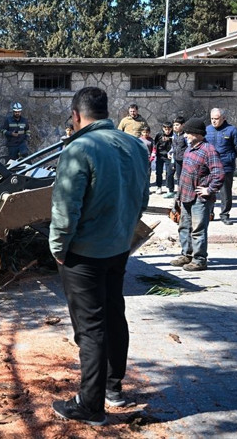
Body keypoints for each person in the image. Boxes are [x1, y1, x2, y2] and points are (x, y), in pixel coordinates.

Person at [49, 87, 150, 426]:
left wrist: (58, 249)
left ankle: (90, 406)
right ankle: (113, 387)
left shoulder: (79, 149)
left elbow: (66, 207)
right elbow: (142, 198)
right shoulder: (136, 145)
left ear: (76, 115)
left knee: (90, 328)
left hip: (84, 254)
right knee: (113, 313)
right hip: (119, 247)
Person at [170, 118, 224, 272]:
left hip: (200, 199)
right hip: (185, 196)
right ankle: (187, 255)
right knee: (184, 228)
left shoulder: (209, 150)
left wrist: (209, 189)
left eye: (188, 133)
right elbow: (184, 175)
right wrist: (177, 197)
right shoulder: (189, 149)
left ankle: (199, 260)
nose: (185, 135)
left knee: (198, 230)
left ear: (198, 134)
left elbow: (219, 174)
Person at [205, 108, 237, 225]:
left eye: (216, 119)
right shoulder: (207, 129)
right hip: (210, 166)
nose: (214, 121)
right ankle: (209, 213)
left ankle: (225, 214)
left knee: (225, 192)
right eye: (212, 118)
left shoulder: (232, 130)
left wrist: (230, 157)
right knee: (209, 191)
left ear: (223, 118)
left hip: (225, 166)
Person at [153, 122, 174, 196]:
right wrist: (155, 152)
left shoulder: (173, 135)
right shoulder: (159, 135)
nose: (167, 131)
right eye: (166, 129)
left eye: (169, 129)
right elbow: (155, 143)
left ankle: (169, 188)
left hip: (169, 156)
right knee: (159, 172)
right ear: (163, 128)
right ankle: (159, 186)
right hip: (160, 155)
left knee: (169, 173)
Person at [170, 116, 188, 189]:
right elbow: (173, 147)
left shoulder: (186, 135)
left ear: (183, 125)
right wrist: (170, 153)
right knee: (178, 176)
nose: (175, 127)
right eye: (174, 125)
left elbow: (189, 147)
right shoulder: (174, 135)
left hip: (185, 160)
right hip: (177, 159)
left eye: (177, 125)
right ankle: (180, 192)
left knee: (186, 177)